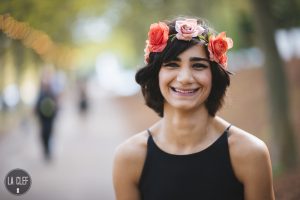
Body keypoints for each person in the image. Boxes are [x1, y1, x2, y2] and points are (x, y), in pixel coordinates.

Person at [113, 17, 275, 200]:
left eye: (198, 65)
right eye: (172, 65)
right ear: (156, 74)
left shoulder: (251, 153)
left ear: (214, 76)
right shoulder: (129, 158)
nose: (185, 78)